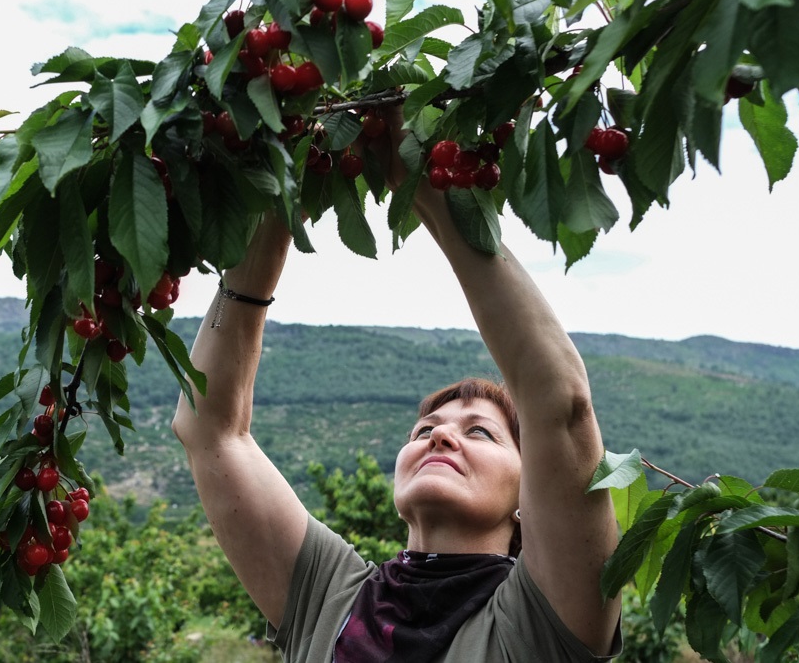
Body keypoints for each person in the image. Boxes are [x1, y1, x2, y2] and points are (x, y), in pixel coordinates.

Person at [170, 116, 623, 661]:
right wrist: (281, 201)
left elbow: (560, 403)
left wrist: (423, 182)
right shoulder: (328, 595)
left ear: (530, 491)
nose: (441, 438)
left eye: (480, 432)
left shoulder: (542, 622)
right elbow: (209, 428)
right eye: (425, 429)